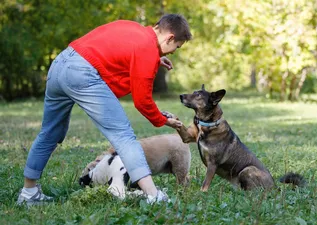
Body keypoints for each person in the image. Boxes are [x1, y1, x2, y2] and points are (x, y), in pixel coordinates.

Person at [17, 14, 192, 206]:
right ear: (170, 38)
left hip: (60, 65)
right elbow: (142, 102)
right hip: (81, 74)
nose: (171, 53)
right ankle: (153, 195)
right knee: (124, 136)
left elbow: (114, 51)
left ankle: (29, 192)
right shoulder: (147, 50)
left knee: (49, 132)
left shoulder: (133, 28)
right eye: (175, 48)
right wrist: (163, 120)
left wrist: (156, 59)